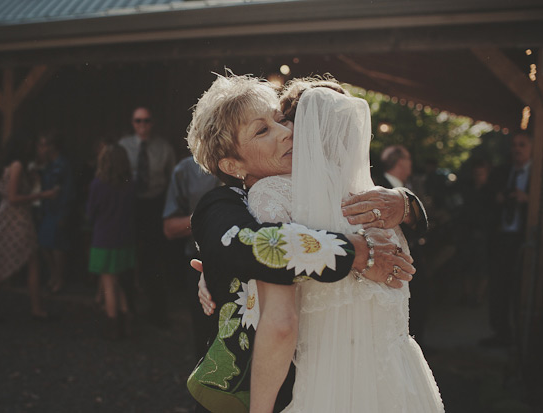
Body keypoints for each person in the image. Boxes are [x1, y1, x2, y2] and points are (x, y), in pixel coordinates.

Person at [185, 73, 422, 413]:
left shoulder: (337, 191)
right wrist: (359, 253)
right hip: (261, 392)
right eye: (262, 130)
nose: (287, 132)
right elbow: (259, 247)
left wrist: (408, 204)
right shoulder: (222, 206)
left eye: (281, 120)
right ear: (232, 165)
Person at [263, 82, 441, 412]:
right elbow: (262, 255)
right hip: (341, 380)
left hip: (385, 374)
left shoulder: (376, 198)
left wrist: (407, 203)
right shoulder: (275, 193)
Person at [0, 132, 57, 320]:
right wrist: (42, 195)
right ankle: (34, 308)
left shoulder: (19, 166)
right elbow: (13, 198)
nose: (36, 148)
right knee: (29, 260)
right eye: (33, 145)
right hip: (16, 218)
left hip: (14, 217)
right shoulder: (17, 165)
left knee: (17, 259)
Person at [119, 106, 176, 326]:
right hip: (130, 206)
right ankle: (128, 309)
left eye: (146, 121)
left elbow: (171, 179)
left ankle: (157, 312)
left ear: (152, 122)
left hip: (155, 205)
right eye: (138, 121)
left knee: (153, 260)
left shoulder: (164, 148)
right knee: (128, 257)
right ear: (132, 123)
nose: (142, 125)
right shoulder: (123, 147)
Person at [162, 155, 221, 360]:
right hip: (200, 263)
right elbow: (170, 228)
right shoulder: (185, 170)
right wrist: (210, 216)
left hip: (248, 262)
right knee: (206, 342)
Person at [374, 144, 430, 345]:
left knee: (419, 303)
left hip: (416, 256)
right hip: (398, 260)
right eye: (408, 158)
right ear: (400, 162)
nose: (411, 163)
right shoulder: (379, 186)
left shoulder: (410, 185)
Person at [482, 133, 533, 347]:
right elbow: (484, 197)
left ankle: (523, 337)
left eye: (522, 145)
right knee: (499, 287)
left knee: (521, 287)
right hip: (501, 237)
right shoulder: (502, 172)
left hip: (525, 241)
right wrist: (498, 198)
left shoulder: (536, 175)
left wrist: (528, 201)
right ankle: (501, 334)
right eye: (514, 145)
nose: (517, 149)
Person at [86, 143, 136, 340]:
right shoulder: (130, 184)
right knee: (117, 282)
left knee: (108, 284)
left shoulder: (97, 185)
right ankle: (127, 319)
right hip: (125, 239)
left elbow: (91, 213)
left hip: (104, 240)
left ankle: (113, 325)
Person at [37, 133, 75, 294]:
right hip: (47, 209)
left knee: (58, 246)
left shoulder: (63, 165)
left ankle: (59, 278)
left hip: (59, 209)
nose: (41, 149)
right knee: (44, 244)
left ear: (52, 146)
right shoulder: (48, 165)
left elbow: (68, 190)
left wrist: (64, 213)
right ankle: (53, 274)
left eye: (44, 145)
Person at [456, 158, 494, 306]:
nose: (478, 176)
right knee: (466, 265)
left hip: (483, 234)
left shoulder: (490, 192)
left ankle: (478, 296)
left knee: (482, 267)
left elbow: (491, 214)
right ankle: (468, 294)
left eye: (481, 174)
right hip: (467, 232)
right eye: (476, 174)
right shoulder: (467, 189)